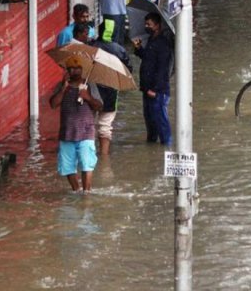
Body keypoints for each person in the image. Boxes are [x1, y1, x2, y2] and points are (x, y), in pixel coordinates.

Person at [72, 21, 132, 155]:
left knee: (89, 123)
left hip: (91, 92)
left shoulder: (90, 47)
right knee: (105, 126)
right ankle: (104, 158)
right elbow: (128, 70)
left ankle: (88, 153)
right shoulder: (119, 49)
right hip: (111, 93)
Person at [49, 55, 103, 193]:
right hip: (67, 132)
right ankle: (76, 190)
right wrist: (63, 89)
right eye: (71, 68)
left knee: (87, 165)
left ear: (82, 69)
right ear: (67, 70)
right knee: (67, 166)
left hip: (86, 132)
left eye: (77, 68)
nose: (74, 71)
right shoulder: (62, 86)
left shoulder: (89, 85)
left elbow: (99, 106)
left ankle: (86, 193)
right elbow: (53, 104)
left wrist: (88, 97)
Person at [132, 12, 173, 146]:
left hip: (157, 92)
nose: (146, 26)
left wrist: (154, 90)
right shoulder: (151, 40)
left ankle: (166, 149)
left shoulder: (163, 44)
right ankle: (152, 150)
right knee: (151, 124)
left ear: (157, 25)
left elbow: (163, 70)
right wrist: (139, 49)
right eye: (145, 24)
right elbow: (148, 59)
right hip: (147, 89)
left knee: (161, 124)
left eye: (149, 24)